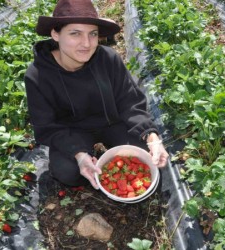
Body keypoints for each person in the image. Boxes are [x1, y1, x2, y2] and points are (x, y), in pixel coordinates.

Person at [24, 0, 169, 189]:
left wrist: (151, 136)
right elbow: (47, 127)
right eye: (75, 33)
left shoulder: (108, 59)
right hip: (72, 131)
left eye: (92, 34)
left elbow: (130, 101)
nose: (86, 43)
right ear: (55, 34)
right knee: (66, 171)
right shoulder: (37, 76)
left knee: (146, 156)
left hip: (112, 123)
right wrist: (79, 154)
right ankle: (87, 158)